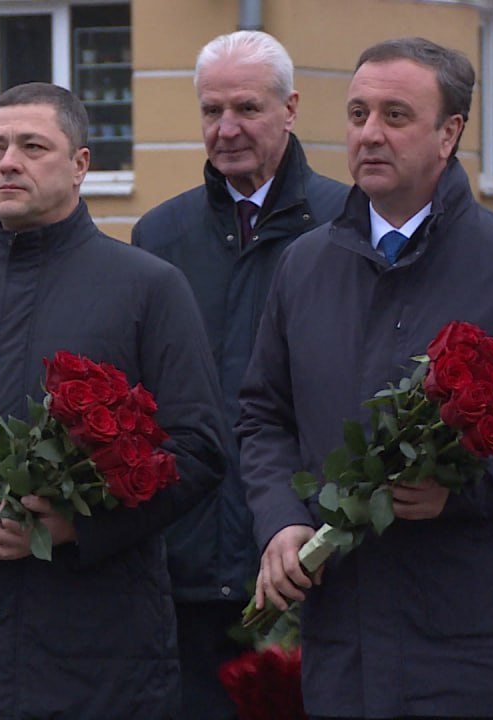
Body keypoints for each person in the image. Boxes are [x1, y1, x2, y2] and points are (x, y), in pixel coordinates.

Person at [237, 37, 493, 719]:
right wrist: (281, 522)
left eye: (396, 116)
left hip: (482, 656)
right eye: (357, 114)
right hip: (345, 652)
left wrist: (460, 492)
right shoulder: (304, 265)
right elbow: (264, 416)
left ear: (450, 133)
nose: (370, 134)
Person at [0, 82, 227, 719]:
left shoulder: (147, 288)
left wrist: (74, 525)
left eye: (33, 146)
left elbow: (196, 448)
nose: (8, 161)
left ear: (81, 164)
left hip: (100, 650)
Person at [131, 30, 346, 719]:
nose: (226, 130)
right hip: (186, 567)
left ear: (291, 109)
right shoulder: (160, 236)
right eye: (210, 110)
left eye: (247, 109)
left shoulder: (349, 225)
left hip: (308, 564)